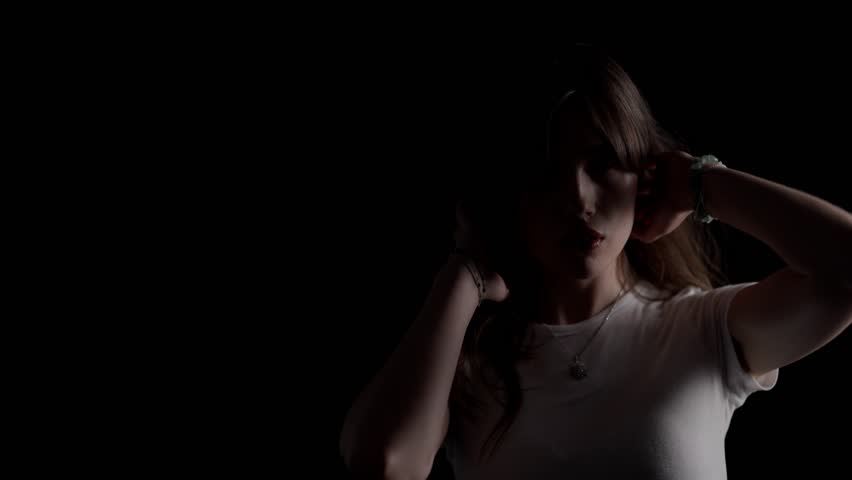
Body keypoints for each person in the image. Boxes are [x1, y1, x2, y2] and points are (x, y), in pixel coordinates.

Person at [338, 45, 852, 479]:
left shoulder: (701, 331)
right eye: (546, 172)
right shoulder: (469, 360)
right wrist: (464, 273)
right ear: (511, 193)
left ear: (641, 174)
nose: (578, 197)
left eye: (603, 162)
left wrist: (701, 185)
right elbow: (384, 464)